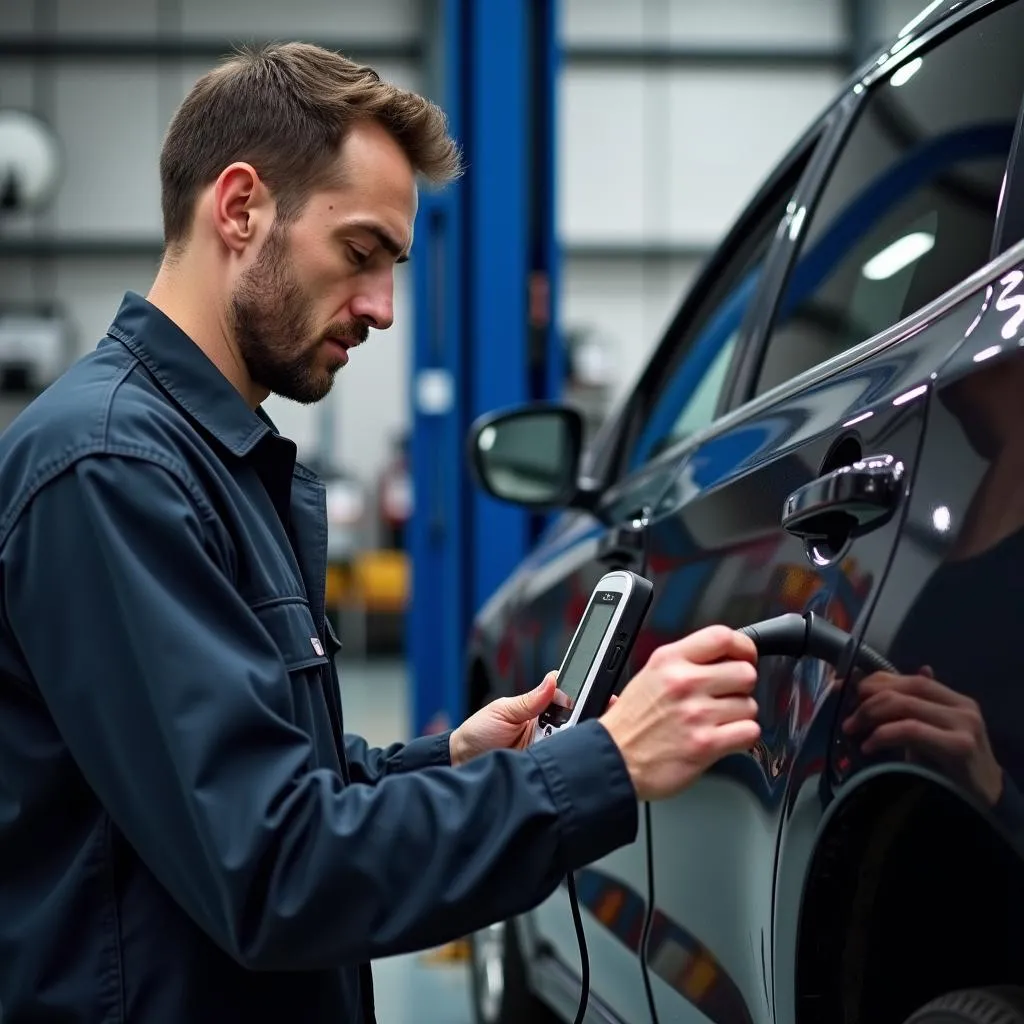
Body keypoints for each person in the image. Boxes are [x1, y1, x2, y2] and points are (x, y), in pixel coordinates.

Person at [0, 43, 761, 1023]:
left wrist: (446, 764)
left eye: (392, 266)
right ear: (239, 208)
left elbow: (260, 776)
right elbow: (274, 867)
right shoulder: (113, 469)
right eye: (360, 253)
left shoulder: (211, 463)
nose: (382, 308)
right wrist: (602, 764)